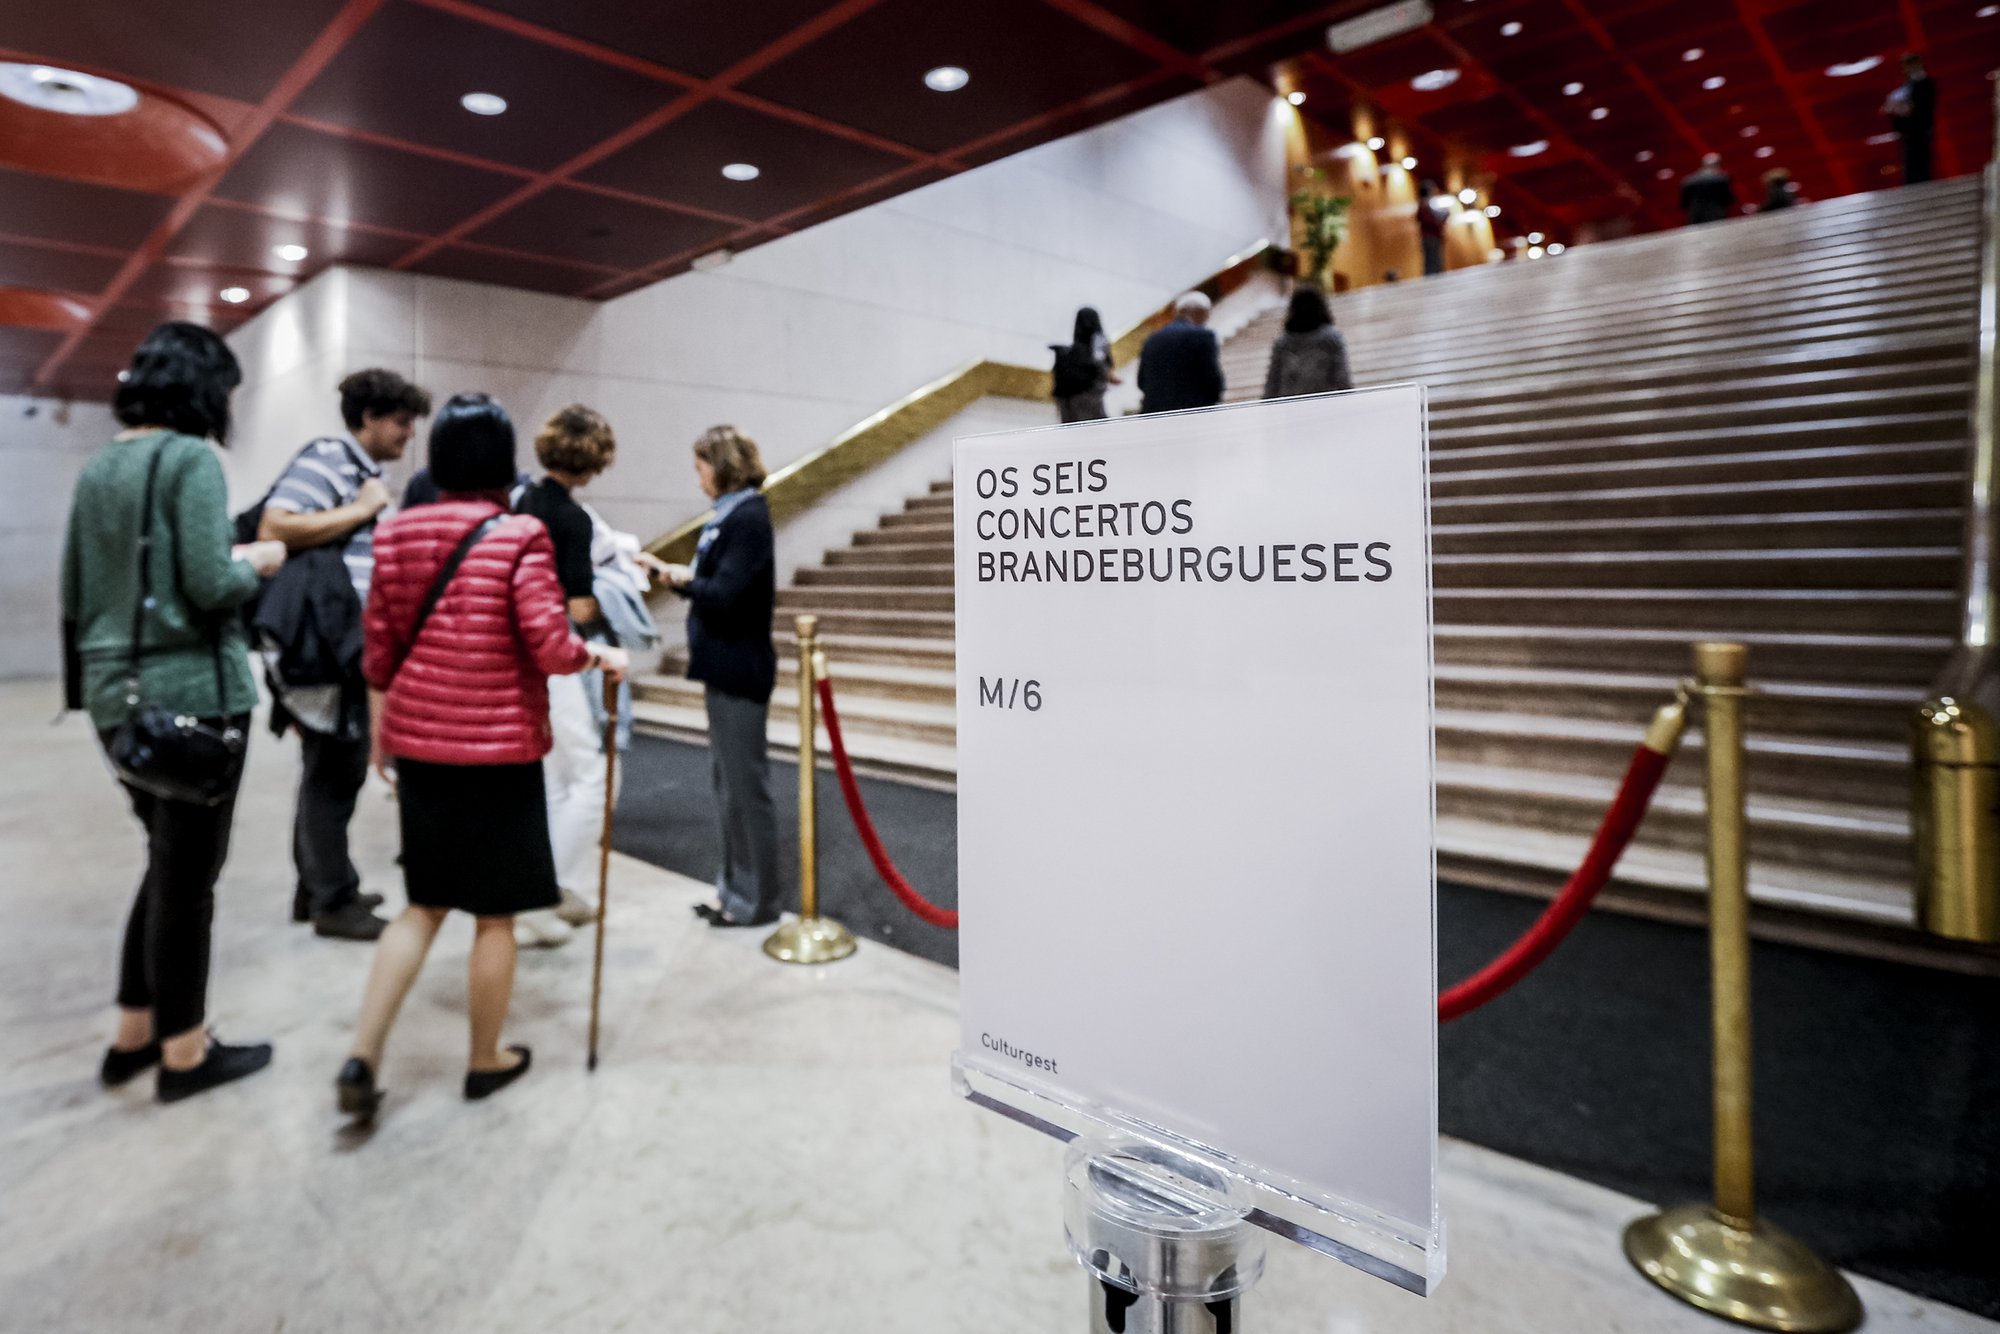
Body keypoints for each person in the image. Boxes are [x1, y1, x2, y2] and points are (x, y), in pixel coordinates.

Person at [335, 394, 628, 1118]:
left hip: (424, 750)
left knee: (423, 906)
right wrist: (600, 657)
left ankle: (363, 1054)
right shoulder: (518, 534)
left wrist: (383, 735)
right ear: (502, 461)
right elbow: (551, 647)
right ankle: (485, 1059)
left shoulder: (397, 532)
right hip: (499, 754)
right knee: (494, 918)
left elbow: (379, 650)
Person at [60, 322, 288, 1102]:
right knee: (190, 882)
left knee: (165, 863)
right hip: (194, 697)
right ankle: (185, 1054)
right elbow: (208, 583)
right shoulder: (190, 459)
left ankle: (134, 1034)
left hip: (110, 700)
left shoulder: (101, 467)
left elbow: (73, 592)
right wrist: (255, 561)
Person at [256, 368, 431, 942]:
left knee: (329, 772)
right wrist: (362, 509)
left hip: (337, 645)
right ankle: (332, 900)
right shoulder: (332, 457)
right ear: (369, 419)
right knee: (335, 774)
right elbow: (275, 524)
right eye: (401, 422)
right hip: (325, 648)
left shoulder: (357, 470)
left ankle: (320, 888)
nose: (409, 434)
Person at [513, 405, 662, 947]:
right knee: (596, 777)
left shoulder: (520, 502)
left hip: (523, 657)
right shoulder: (570, 519)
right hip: (560, 660)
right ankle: (544, 893)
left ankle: (548, 892)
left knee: (556, 781)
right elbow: (576, 610)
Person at [659, 427, 782, 929]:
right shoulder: (730, 516)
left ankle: (758, 901)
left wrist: (681, 580)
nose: (699, 479)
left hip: (740, 666)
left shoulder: (748, 517)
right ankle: (734, 892)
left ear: (723, 464)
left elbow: (727, 594)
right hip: (724, 665)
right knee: (727, 786)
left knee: (744, 788)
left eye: (701, 467)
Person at [1135, 292, 1224, 414]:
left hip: (1154, 414)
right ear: (1200, 312)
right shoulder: (1203, 336)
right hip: (1193, 412)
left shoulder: (1151, 339)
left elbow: (1141, 382)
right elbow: (1212, 377)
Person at [1263, 286, 1353, 400]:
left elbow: (1273, 382)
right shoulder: (1332, 339)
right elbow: (1342, 378)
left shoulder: (1283, 342)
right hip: (1325, 404)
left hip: (1290, 406)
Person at [1050, 306, 1120, 423]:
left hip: (1068, 404)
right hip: (1090, 400)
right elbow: (1106, 371)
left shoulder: (1068, 353)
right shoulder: (1099, 344)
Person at [1885, 53, 1935, 186]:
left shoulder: (1924, 84)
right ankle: (1913, 184)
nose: (1906, 69)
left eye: (1909, 65)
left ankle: (1921, 184)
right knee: (1910, 159)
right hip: (1909, 131)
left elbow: (1918, 108)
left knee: (1920, 158)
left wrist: (1901, 108)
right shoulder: (1906, 87)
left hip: (1920, 128)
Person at [1680, 153, 1735, 225]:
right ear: (1717, 165)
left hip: (1695, 217)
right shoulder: (1721, 179)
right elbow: (1728, 199)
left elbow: (1684, 203)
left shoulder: (1688, 181)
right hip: (1716, 216)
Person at [1417, 180, 1447, 277]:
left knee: (1435, 258)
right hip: (1429, 236)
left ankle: (1436, 274)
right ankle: (1433, 275)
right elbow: (1427, 220)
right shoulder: (1424, 204)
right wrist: (1439, 221)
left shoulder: (1429, 204)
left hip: (1432, 235)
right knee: (1432, 259)